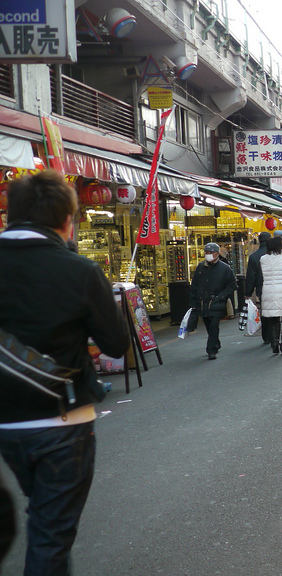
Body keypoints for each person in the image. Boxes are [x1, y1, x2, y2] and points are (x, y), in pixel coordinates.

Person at [0, 170, 129, 575]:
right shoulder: (79, 271)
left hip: (5, 423)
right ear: (67, 220)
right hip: (62, 419)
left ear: (9, 213)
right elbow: (115, 345)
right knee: (50, 533)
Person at [189, 242, 236, 360]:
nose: (208, 255)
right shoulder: (200, 267)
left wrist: (221, 297)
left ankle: (211, 350)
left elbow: (231, 286)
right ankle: (216, 342)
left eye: (211, 253)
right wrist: (194, 302)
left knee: (214, 324)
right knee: (208, 325)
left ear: (217, 253)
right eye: (206, 252)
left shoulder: (225, 269)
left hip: (216, 301)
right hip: (203, 302)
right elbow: (194, 285)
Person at [245, 231, 272, 344]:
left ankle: (266, 336)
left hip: (261, 288)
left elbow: (251, 276)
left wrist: (248, 292)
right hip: (274, 286)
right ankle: (274, 334)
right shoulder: (275, 255)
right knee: (275, 312)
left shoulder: (254, 257)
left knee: (265, 311)